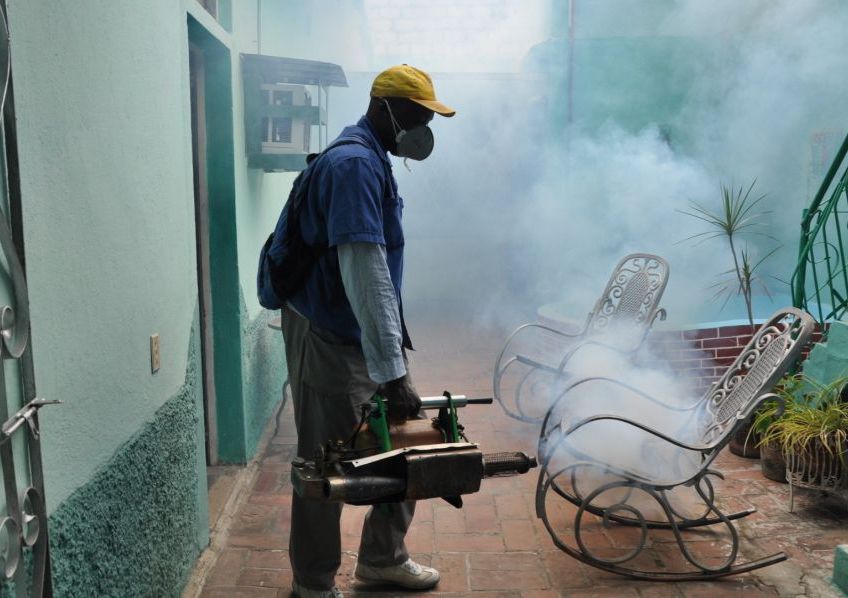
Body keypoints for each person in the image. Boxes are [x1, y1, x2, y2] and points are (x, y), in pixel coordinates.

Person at [279, 65, 456, 598]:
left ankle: (382, 559)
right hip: (328, 334)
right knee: (324, 460)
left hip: (352, 328)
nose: (425, 125)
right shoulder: (353, 164)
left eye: (430, 116)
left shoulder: (371, 156)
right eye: (418, 114)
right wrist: (391, 370)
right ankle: (312, 583)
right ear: (385, 108)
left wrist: (388, 353)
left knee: (404, 439)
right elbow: (364, 269)